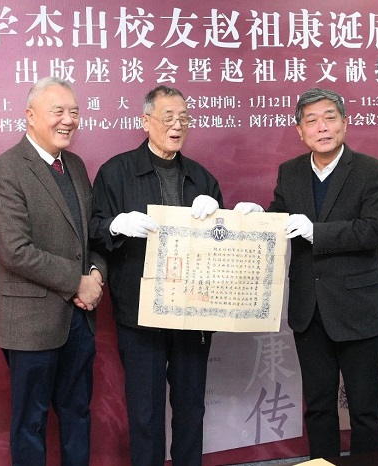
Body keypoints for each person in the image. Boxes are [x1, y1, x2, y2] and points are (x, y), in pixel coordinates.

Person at [238, 87, 378, 458]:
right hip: (310, 311)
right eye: (311, 121)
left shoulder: (372, 171)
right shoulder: (290, 171)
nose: (321, 127)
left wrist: (317, 232)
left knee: (365, 411)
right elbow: (281, 217)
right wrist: (260, 217)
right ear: (300, 131)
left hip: (357, 310)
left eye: (329, 118)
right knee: (319, 407)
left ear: (345, 123)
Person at [88, 85, 223, 466]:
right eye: (168, 118)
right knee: (144, 414)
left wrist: (220, 214)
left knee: (190, 409)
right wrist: (116, 225)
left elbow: (223, 246)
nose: (177, 125)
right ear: (146, 121)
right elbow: (92, 229)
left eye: (184, 118)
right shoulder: (116, 173)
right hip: (140, 314)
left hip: (193, 313)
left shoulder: (202, 179)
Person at [0, 76, 106, 466]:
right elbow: (15, 251)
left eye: (74, 112)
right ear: (30, 116)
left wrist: (96, 275)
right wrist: (77, 282)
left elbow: (90, 235)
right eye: (59, 111)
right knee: (30, 424)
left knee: (77, 415)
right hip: (31, 322)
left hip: (79, 321)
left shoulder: (76, 166)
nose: (68, 120)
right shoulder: (5, 170)